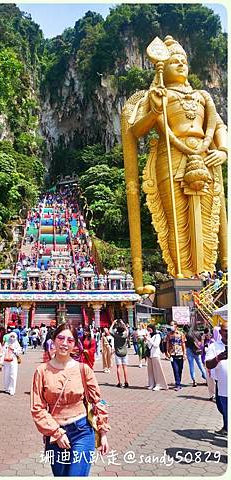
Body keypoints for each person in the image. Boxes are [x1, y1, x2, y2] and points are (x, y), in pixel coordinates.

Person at [122, 35, 227, 286]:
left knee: (206, 218)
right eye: (174, 61)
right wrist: (156, 110)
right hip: (171, 158)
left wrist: (223, 150)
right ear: (162, 67)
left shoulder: (203, 96)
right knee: (176, 221)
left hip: (204, 157)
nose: (181, 64)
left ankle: (207, 273)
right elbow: (136, 130)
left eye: (184, 61)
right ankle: (181, 273)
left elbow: (219, 125)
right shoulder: (157, 95)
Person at [31, 323, 110, 476]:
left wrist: (103, 433)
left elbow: (97, 401)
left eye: (70, 340)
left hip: (82, 430)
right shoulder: (41, 371)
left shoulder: (83, 369)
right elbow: (37, 408)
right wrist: (57, 433)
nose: (64, 343)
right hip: (55, 432)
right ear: (53, 340)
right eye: (61, 338)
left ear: (75, 345)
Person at [205, 321, 227, 435]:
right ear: (220, 332)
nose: (228, 333)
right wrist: (218, 358)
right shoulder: (214, 346)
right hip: (222, 386)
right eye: (226, 331)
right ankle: (226, 426)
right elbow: (208, 364)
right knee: (221, 407)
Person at [144, 324, 169, 391]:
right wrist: (146, 340)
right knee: (150, 370)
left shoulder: (157, 335)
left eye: (150, 329)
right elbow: (149, 346)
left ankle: (159, 384)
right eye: (148, 329)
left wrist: (149, 339)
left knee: (157, 370)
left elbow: (156, 345)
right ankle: (152, 384)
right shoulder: (150, 336)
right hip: (150, 355)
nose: (149, 331)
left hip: (155, 354)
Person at [165, 321, 187, 391]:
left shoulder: (181, 334)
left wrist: (184, 354)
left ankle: (179, 382)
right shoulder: (169, 334)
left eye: (172, 325)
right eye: (170, 325)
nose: (171, 326)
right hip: (172, 354)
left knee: (180, 369)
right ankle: (177, 384)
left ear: (176, 326)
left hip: (180, 353)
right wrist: (167, 352)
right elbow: (167, 343)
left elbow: (183, 344)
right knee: (175, 369)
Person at [111, 320, 129, 388]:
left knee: (119, 367)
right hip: (125, 353)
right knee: (125, 367)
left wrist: (113, 323)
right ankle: (126, 382)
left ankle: (119, 382)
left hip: (118, 353)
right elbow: (127, 330)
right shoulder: (124, 336)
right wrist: (123, 323)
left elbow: (110, 331)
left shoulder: (115, 335)